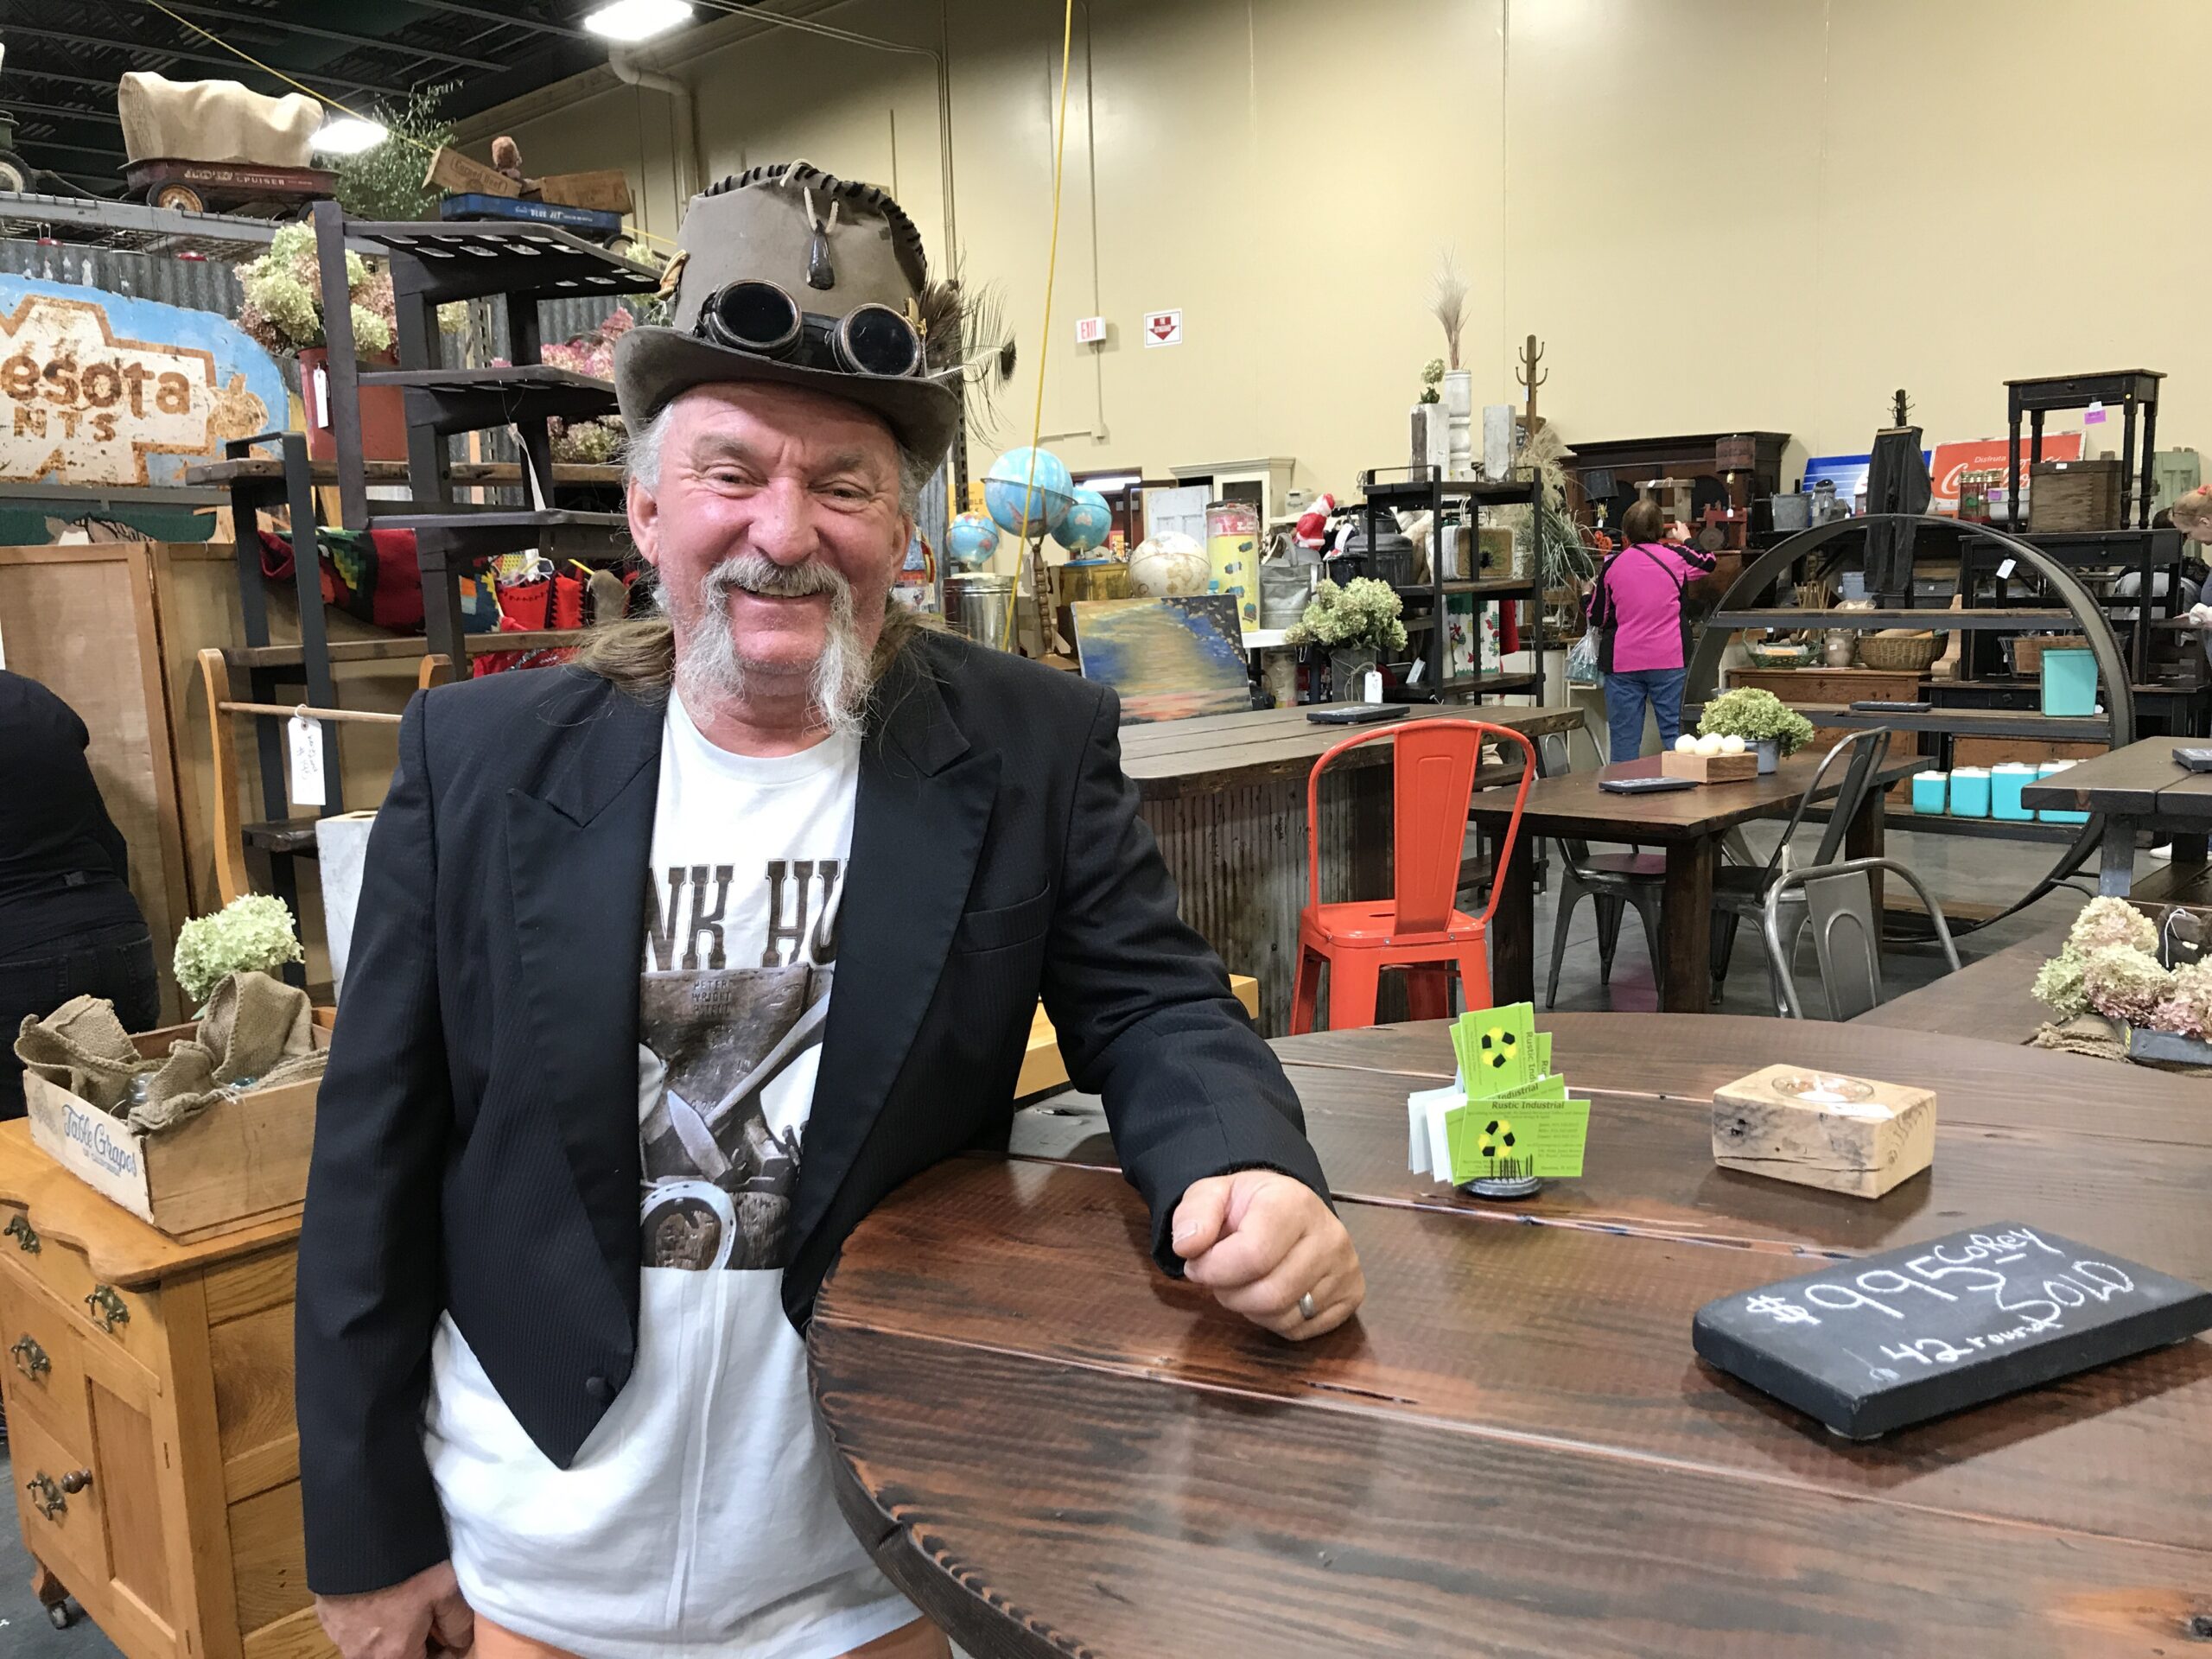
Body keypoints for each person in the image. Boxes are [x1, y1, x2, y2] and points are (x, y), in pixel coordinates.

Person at [295, 162, 1363, 1659]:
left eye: (845, 484)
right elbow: (372, 1160)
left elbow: (1157, 1004)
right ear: (649, 506)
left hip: (865, 1550)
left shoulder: (1025, 746)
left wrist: (1248, 1167)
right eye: (733, 472)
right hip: (538, 1548)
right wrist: (363, 1534)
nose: (784, 531)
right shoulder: (480, 764)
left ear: (904, 528)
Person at [0, 670, 160, 1119]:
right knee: (132, 1129)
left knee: (22, 1146)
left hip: (15, 953)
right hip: (116, 932)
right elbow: (111, 841)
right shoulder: (31, 697)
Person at [1587, 499, 1716, 760]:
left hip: (1623, 664)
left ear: (1625, 533)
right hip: (1669, 660)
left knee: (1624, 742)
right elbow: (1708, 562)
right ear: (1660, 529)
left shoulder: (1612, 565)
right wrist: (1686, 538)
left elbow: (1597, 617)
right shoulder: (1677, 558)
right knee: (1677, 739)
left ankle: (1624, 794)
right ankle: (1686, 793)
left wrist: (1584, 595)